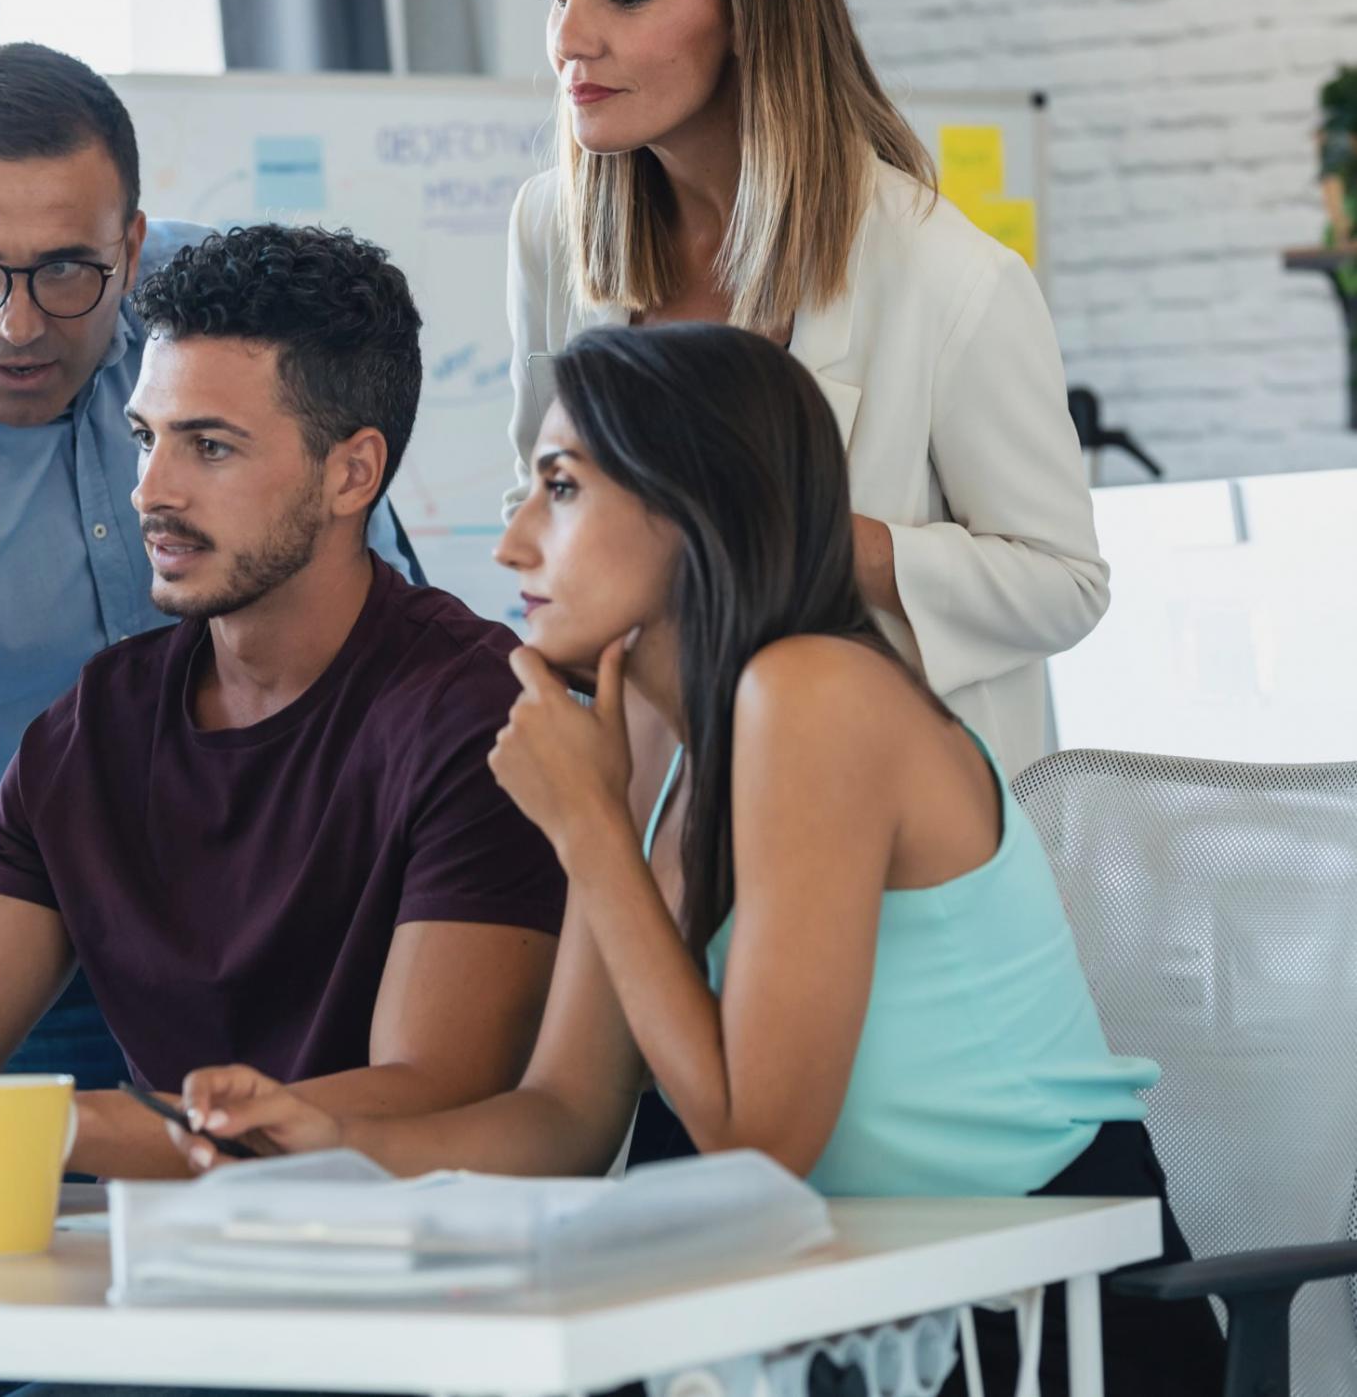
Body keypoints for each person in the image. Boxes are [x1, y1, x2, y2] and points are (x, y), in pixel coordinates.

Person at [171, 324, 1227, 1397]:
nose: (512, 544)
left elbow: (759, 1146)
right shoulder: (643, 738)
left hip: (1042, 1314)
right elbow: (564, 1118)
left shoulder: (812, 692)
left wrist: (587, 830)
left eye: (560, 489)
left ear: (691, 508)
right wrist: (331, 1143)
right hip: (849, 1309)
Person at [0, 224, 563, 1235]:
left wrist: (77, 1125)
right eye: (145, 438)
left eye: (210, 446)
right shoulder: (93, 726)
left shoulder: (477, 716)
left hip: (381, 1296)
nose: (150, 490)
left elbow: (428, 1090)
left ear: (350, 474)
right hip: (154, 1287)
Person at [0, 43, 415, 1090]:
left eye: (64, 270)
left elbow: (363, 575)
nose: (17, 324)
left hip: (270, 944)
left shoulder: (205, 317)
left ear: (130, 247)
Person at [505, 0, 1105, 780]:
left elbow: (1062, 587)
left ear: (747, 6)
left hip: (884, 817)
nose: (569, 38)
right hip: (655, 794)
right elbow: (540, 491)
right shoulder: (547, 230)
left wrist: (807, 536)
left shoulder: (947, 278)